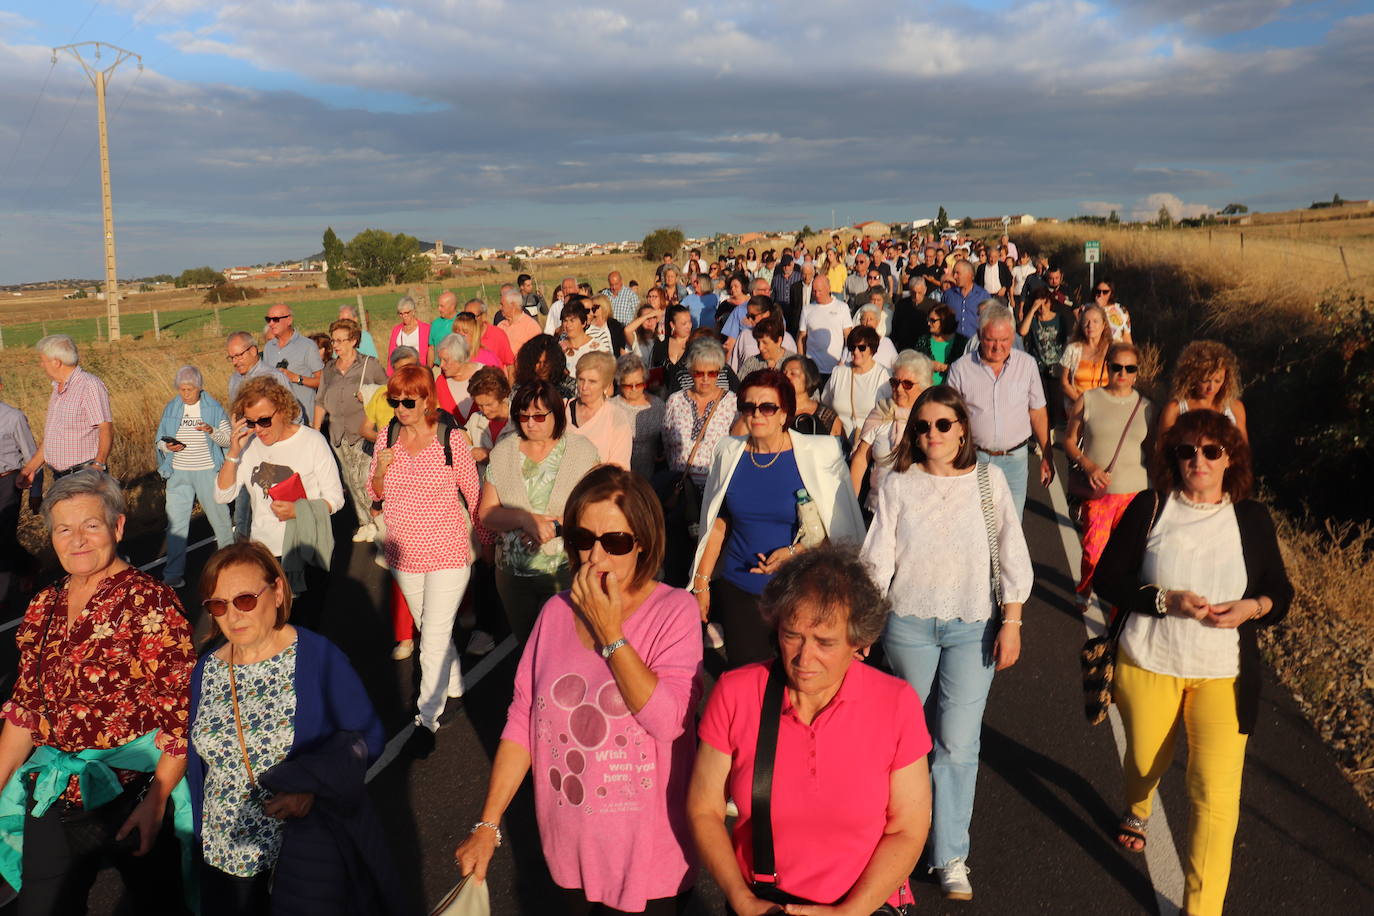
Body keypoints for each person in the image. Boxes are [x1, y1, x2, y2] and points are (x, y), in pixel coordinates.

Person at [457, 467, 703, 913]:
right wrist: (488, 825)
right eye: (583, 538)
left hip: (650, 861)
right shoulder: (554, 612)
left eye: (616, 542)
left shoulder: (674, 610)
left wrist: (611, 633)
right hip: (568, 849)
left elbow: (668, 721)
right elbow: (522, 720)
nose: (596, 555)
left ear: (643, 542)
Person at [1094, 409, 1292, 916]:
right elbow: (1109, 580)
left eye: (1210, 451)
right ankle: (1138, 803)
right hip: (1149, 662)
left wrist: (1253, 607)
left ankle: (1201, 909)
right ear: (1173, 457)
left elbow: (1278, 592)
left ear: (1231, 458)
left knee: (1215, 798)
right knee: (1143, 762)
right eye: (1186, 451)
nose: (1197, 460)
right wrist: (1165, 601)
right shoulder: (1151, 507)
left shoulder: (1252, 518)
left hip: (1223, 676)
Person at [688, 546, 931, 913]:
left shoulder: (896, 703)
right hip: (764, 904)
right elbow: (704, 808)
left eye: (825, 643)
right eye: (792, 635)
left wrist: (850, 912)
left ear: (859, 642)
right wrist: (742, 900)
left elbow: (908, 829)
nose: (804, 658)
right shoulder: (736, 693)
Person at [864, 385, 1032, 901]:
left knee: (957, 745)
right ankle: (895, 847)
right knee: (905, 743)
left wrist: (1013, 621)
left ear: (962, 428)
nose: (932, 434)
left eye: (942, 424)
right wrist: (863, 627)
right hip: (907, 625)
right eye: (922, 426)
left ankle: (950, 853)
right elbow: (878, 559)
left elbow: (1011, 551)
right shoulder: (897, 483)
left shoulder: (989, 481)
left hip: (973, 624)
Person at [0, 470, 196, 913]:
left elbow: (182, 714)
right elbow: (25, 708)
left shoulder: (151, 602)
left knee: (155, 905)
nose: (78, 541)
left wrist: (157, 800)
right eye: (64, 529)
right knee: (42, 904)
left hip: (131, 794)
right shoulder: (44, 603)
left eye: (92, 525)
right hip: (53, 792)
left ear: (118, 527)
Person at [187, 542, 393, 915]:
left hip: (303, 852)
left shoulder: (318, 657)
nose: (233, 615)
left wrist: (313, 789)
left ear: (278, 591)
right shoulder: (207, 669)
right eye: (218, 605)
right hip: (224, 853)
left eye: (245, 599)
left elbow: (367, 736)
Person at [692, 369, 865, 667]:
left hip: (801, 590)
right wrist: (701, 582)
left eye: (767, 407)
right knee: (747, 678)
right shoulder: (728, 451)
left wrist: (794, 553)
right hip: (739, 588)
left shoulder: (820, 452)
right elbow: (718, 524)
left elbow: (838, 532)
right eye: (748, 407)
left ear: (784, 413)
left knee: (798, 676)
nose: (756, 414)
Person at [370, 367, 482, 753]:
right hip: (404, 552)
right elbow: (376, 491)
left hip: (448, 551)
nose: (400, 408)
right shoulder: (386, 437)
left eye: (408, 401)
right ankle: (453, 686)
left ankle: (427, 718)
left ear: (426, 401)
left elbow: (474, 493)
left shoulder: (451, 439)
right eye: (394, 401)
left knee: (430, 640)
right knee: (429, 627)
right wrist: (382, 468)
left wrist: (484, 541)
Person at [477, 381, 600, 642]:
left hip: (565, 571)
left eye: (539, 416)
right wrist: (525, 519)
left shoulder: (582, 452)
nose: (530, 423)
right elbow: (486, 513)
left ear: (556, 414)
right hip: (513, 576)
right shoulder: (503, 453)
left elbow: (595, 513)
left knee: (564, 647)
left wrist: (555, 527)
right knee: (527, 645)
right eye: (523, 416)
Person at [213, 376, 343, 569]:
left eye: (264, 421)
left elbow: (336, 499)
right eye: (250, 422)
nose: (258, 429)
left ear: (282, 410)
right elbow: (222, 495)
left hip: (306, 547)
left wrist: (298, 510)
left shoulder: (312, 441)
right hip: (263, 552)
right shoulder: (247, 446)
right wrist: (233, 453)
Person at [1063, 340, 1156, 608]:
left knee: (1126, 559)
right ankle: (1086, 587)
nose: (1123, 374)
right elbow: (1069, 440)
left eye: (1130, 368)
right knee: (1093, 552)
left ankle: (1118, 608)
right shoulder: (1089, 399)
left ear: (1137, 371)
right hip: (1100, 493)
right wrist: (1088, 465)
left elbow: (1151, 453)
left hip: (1135, 496)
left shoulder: (1147, 407)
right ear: (1107, 367)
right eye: (1117, 367)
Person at [946, 303, 1053, 518]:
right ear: (978, 335)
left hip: (1015, 461)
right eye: (990, 340)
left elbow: (1037, 411)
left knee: (1011, 527)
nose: (997, 347)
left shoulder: (1027, 365)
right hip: (974, 460)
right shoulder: (960, 368)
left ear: (1013, 337)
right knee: (975, 525)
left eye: (1004, 340)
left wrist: (1047, 455)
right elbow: (949, 417)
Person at [157, 366, 235, 589]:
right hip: (178, 472)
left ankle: (231, 566)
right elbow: (159, 441)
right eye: (181, 389)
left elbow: (228, 441)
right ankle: (173, 574)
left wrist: (210, 430)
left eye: (190, 389)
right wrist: (168, 446)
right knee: (176, 526)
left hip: (207, 471)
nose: (185, 394)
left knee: (220, 521)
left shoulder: (213, 408)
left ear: (199, 388)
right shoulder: (172, 407)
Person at [314, 318, 388, 543]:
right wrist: (316, 431)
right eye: (333, 340)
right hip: (338, 432)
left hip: (363, 431)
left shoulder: (370, 364)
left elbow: (386, 392)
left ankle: (381, 523)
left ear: (353, 340)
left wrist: (369, 395)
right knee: (349, 479)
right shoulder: (328, 369)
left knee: (365, 477)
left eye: (340, 340)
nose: (335, 345)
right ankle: (364, 523)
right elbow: (320, 401)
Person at [19, 335, 113, 486]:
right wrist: (30, 468)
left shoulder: (89, 385)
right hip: (60, 478)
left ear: (56, 362)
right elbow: (52, 437)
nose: (41, 365)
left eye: (43, 360)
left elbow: (105, 428)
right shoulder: (58, 388)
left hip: (84, 476)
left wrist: (99, 465)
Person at [848, 350, 932, 513]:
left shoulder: (931, 418)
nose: (899, 388)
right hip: (878, 509)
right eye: (895, 382)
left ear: (923, 386)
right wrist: (851, 506)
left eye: (907, 384)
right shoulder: (881, 412)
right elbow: (860, 460)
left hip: (918, 512)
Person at [1157, 340, 1250, 443]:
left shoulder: (1235, 408)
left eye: (1218, 381)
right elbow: (1162, 451)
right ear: (1191, 378)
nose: (1211, 387)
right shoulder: (1175, 409)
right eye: (1205, 381)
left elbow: (1243, 450)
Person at [0, 375, 39, 611]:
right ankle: (27, 565)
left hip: (8, 480)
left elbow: (33, 456)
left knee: (2, 537)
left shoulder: (13, 417)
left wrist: (35, 491)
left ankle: (1, 598)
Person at [821, 326, 892, 447]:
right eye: (852, 347)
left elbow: (889, 414)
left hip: (868, 446)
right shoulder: (839, 372)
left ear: (872, 349)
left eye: (862, 347)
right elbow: (825, 404)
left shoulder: (883, 375)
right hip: (838, 443)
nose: (856, 352)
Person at [568, 351, 633, 469]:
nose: (584, 387)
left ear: (607, 385)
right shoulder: (562, 409)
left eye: (592, 381)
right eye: (581, 379)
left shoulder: (617, 418)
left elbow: (618, 470)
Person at [1017, 287, 1069, 423]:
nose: (1042, 308)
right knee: (1041, 403)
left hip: (1056, 367)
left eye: (1045, 304)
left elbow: (1066, 342)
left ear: (1050, 303)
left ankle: (1055, 432)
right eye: (1039, 305)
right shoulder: (1033, 320)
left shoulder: (1059, 319)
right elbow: (1022, 331)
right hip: (1038, 367)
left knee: (1057, 403)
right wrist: (1033, 310)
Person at [262, 304, 324, 416]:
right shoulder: (268, 347)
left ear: (289, 320)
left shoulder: (307, 346)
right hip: (278, 418)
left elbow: (322, 381)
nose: (271, 323)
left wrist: (296, 378)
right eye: (268, 319)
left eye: (275, 319)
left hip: (305, 418)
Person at [612, 353, 664, 481]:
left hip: (650, 477)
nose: (634, 389)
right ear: (619, 383)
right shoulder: (610, 407)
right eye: (628, 386)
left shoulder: (657, 406)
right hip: (618, 477)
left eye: (639, 384)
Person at [797, 276, 851, 385]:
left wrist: (843, 361)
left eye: (820, 291)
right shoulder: (807, 309)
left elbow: (848, 337)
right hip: (813, 369)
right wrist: (802, 362)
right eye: (814, 291)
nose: (817, 294)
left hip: (835, 368)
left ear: (829, 289)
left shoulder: (842, 308)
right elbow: (802, 337)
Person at [1059, 303, 1112, 414]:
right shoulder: (1072, 349)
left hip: (1107, 409)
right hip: (1079, 410)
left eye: (1095, 321)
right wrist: (1083, 402)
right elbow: (1064, 382)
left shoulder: (1113, 350)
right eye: (1086, 321)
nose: (1090, 325)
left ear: (1103, 325)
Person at [464, 366, 515, 466]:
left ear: (502, 396)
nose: (485, 410)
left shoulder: (519, 418)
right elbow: (458, 445)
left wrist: (491, 456)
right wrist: (472, 450)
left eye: (489, 404)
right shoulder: (475, 419)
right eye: (479, 405)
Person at [780, 354, 841, 437]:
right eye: (784, 373)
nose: (786, 377)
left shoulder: (826, 416)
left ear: (808, 378)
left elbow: (837, 446)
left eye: (793, 373)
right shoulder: (774, 411)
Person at [226, 330, 290, 404]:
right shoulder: (234, 379)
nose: (234, 362)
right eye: (231, 358)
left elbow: (294, 412)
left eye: (238, 356)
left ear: (253, 351)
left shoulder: (275, 377)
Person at [433, 332, 485, 422]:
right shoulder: (441, 383)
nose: (441, 365)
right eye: (440, 360)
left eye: (445, 360)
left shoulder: (485, 375)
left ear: (460, 358)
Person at [913, 303, 968, 386]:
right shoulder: (923, 340)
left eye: (933, 320)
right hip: (926, 391)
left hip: (952, 391)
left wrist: (945, 368)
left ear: (944, 320)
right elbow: (914, 364)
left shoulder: (962, 342)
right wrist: (927, 365)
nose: (928, 323)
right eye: (928, 320)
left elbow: (967, 370)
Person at [464, 297, 518, 372]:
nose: (468, 320)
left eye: (472, 317)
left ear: (483, 316)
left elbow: (510, 365)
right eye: (465, 316)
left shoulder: (497, 335)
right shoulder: (462, 336)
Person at [516, 334, 577, 400]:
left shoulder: (570, 386)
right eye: (538, 362)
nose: (542, 367)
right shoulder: (520, 387)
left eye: (546, 363)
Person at [943, 261, 991, 341]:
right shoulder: (948, 295)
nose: (954, 276)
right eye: (954, 273)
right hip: (952, 344)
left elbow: (990, 320)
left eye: (958, 273)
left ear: (969, 274)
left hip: (975, 343)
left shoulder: (983, 296)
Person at [655, 305, 695, 396]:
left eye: (690, 322)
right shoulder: (661, 345)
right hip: (664, 398)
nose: (688, 326)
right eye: (684, 323)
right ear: (672, 325)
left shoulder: (696, 345)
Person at [386, 296, 431, 372]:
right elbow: (391, 355)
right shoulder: (396, 330)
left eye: (406, 313)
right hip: (401, 372)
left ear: (413, 311)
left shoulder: (426, 329)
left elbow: (430, 352)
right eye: (401, 314)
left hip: (419, 371)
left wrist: (427, 371)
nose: (404, 316)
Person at [499, 284, 543, 359]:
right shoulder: (500, 326)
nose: (500, 308)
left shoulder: (531, 326)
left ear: (512, 305)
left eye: (502, 305)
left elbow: (538, 355)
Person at [853, 304, 899, 370]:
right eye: (864, 319)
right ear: (860, 321)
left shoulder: (886, 342)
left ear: (878, 321)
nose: (867, 323)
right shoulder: (854, 342)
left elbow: (897, 365)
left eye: (871, 319)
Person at [429, 291, 460, 360]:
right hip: (438, 367)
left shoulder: (463, 320)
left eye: (442, 306)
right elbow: (431, 348)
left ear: (452, 306)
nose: (439, 309)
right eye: (438, 306)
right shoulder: (435, 323)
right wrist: (429, 369)